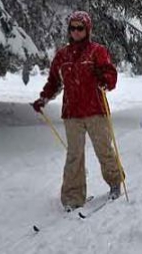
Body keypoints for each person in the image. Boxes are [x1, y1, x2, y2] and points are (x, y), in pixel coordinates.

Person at [32, 11, 123, 212]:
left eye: (79, 28)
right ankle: (73, 197)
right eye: (72, 28)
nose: (76, 31)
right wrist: (43, 98)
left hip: (95, 110)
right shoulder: (62, 55)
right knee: (74, 155)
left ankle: (115, 183)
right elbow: (54, 82)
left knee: (103, 149)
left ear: (87, 29)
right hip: (72, 113)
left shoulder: (97, 51)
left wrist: (105, 79)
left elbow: (111, 74)